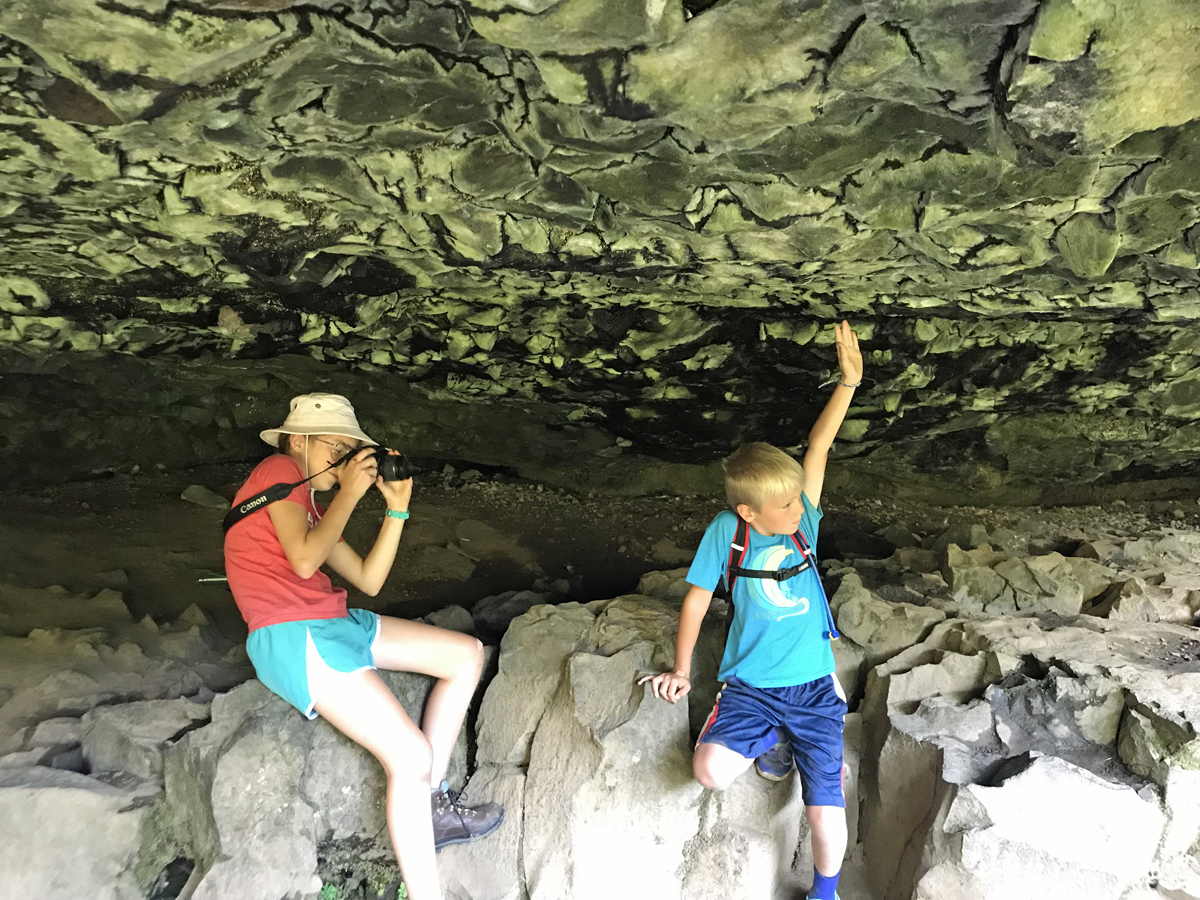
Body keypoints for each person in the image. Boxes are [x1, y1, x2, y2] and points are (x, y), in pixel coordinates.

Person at [223, 393, 503, 900]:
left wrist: (397, 509)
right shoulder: (276, 469)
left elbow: (369, 579)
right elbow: (306, 563)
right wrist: (349, 495)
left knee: (466, 655)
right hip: (293, 633)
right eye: (337, 447)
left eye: (352, 450)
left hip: (335, 621)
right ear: (298, 440)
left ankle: (430, 808)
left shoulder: (305, 505)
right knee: (410, 756)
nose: (345, 458)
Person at [640, 321, 863, 900]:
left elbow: (819, 447)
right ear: (748, 510)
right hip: (750, 687)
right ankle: (772, 740)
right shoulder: (727, 533)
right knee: (709, 771)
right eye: (785, 505)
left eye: (798, 499)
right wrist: (682, 670)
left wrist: (847, 384)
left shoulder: (804, 520)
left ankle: (826, 891)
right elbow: (695, 598)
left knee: (823, 810)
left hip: (814, 688)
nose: (800, 509)